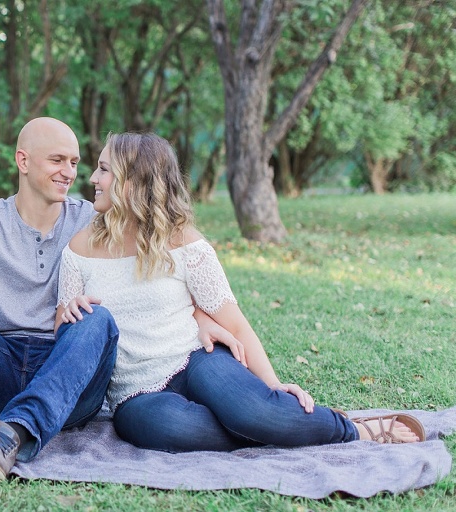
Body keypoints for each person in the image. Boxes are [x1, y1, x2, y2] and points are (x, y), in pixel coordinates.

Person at [0, 118, 235, 480]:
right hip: (0, 369)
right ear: (23, 162)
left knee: (97, 318)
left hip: (72, 375)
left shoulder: (95, 220)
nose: (69, 172)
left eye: (74, 162)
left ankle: (14, 433)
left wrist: (201, 318)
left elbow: (160, 267)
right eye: (57, 160)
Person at [56, 132, 425, 453]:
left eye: (104, 169)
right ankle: (289, 424)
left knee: (253, 411)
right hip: (134, 395)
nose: (92, 177)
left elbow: (235, 323)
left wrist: (274, 386)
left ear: (134, 181)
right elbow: (65, 337)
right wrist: (70, 312)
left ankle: (352, 429)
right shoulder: (79, 249)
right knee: (166, 429)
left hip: (195, 359)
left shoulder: (186, 244)